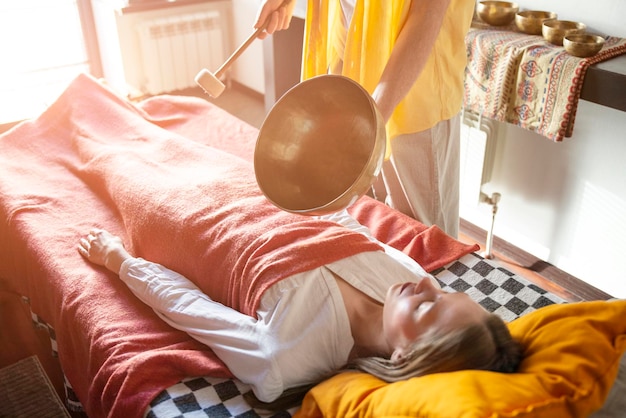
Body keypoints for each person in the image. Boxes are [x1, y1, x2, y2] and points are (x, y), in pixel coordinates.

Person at [78, 210, 523, 409]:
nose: (429, 284)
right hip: (258, 196)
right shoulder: (403, 275)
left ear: (405, 357)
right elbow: (338, 217)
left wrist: (119, 260)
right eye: (446, 294)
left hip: (199, 225)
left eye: (430, 309)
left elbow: (189, 308)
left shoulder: (286, 358)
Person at [254, 0, 476, 238]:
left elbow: (427, 12)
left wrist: (372, 120)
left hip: (415, 88)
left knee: (424, 239)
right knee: (369, 226)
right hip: (351, 56)